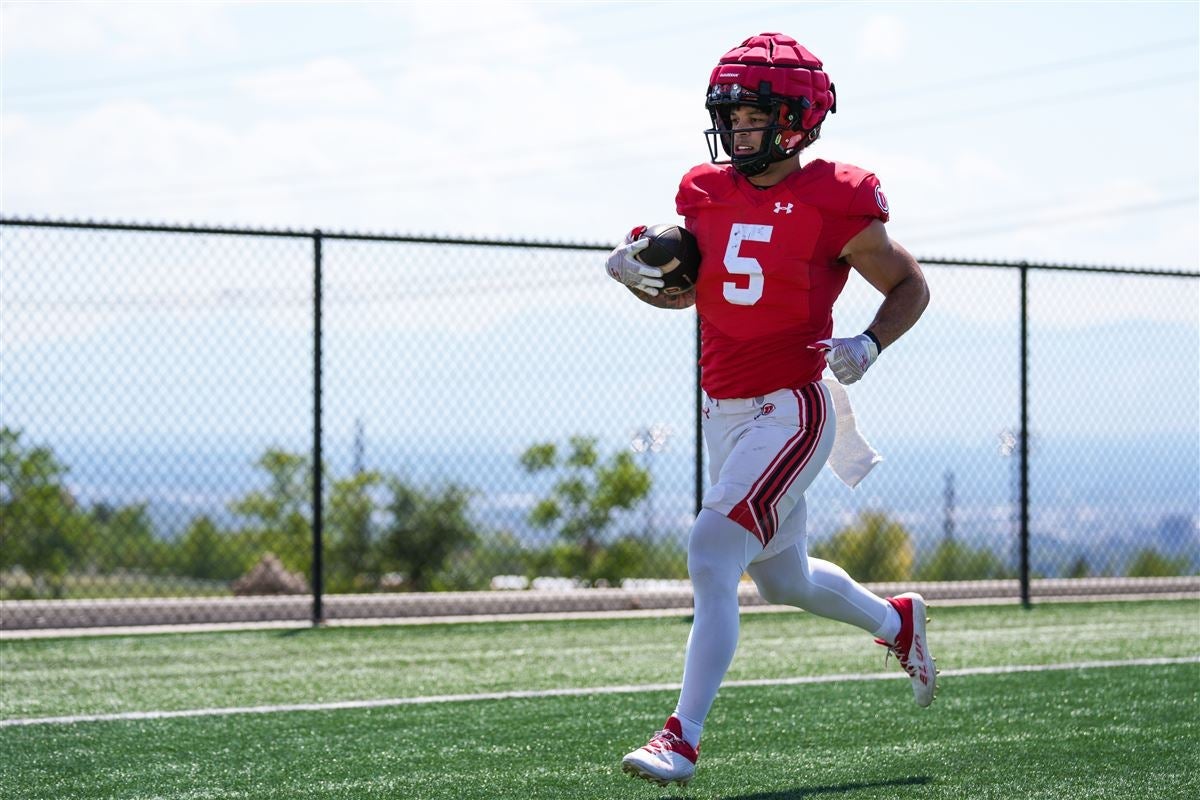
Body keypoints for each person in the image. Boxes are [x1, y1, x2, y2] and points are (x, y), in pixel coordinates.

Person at [604, 32, 936, 787]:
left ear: (793, 118)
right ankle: (897, 624)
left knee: (713, 550)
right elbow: (693, 293)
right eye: (731, 113)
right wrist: (636, 275)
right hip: (724, 407)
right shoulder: (702, 191)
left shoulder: (836, 197)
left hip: (794, 405)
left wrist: (872, 343)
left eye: (751, 114)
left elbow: (908, 285)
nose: (737, 128)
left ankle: (680, 738)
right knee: (782, 580)